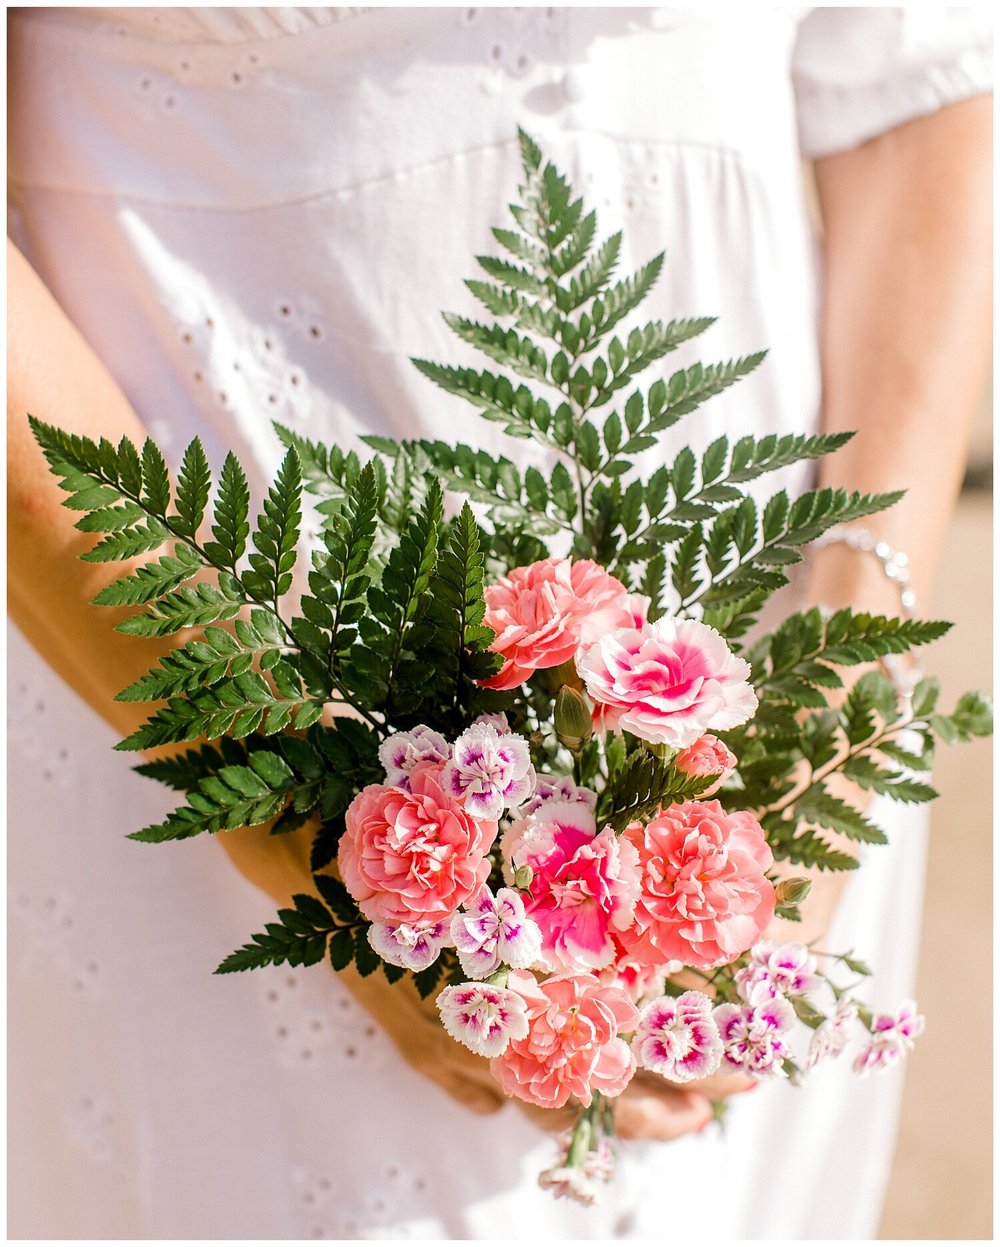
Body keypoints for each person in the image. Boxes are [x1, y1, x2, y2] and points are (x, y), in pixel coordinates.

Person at [7, 7, 991, 1239]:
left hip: (771, 650)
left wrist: (842, 677)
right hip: (210, 631)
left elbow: (917, 80)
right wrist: (288, 809)